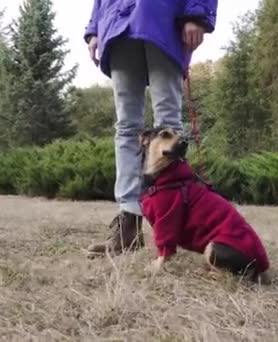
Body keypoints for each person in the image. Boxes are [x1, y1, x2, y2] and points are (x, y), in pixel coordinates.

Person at [84, 0, 218, 257]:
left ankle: (174, 221)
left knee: (167, 125)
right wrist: (94, 29)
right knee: (126, 126)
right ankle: (129, 225)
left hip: (165, 17)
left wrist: (197, 14)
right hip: (116, 22)